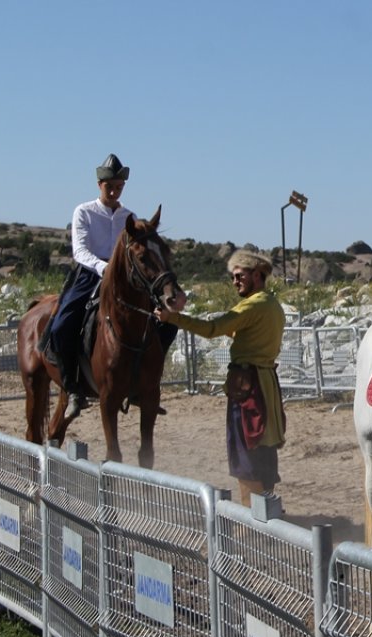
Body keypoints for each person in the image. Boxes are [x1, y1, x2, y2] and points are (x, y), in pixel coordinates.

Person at [47, 153, 178, 419]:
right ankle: (73, 388)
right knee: (62, 325)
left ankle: (146, 384)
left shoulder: (129, 216)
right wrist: (102, 267)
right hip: (90, 275)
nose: (115, 191)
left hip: (126, 278)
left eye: (119, 187)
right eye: (110, 186)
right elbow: (79, 250)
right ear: (99, 184)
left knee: (167, 322)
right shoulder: (83, 211)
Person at [154, 251, 286, 506]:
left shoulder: (253, 305)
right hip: (265, 382)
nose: (235, 281)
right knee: (262, 448)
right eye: (233, 277)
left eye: (240, 276)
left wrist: (174, 318)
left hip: (248, 386)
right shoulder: (272, 304)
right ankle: (268, 509)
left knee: (245, 448)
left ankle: (252, 515)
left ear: (257, 275)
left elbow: (213, 329)